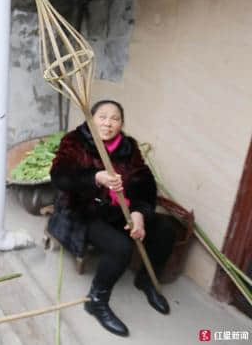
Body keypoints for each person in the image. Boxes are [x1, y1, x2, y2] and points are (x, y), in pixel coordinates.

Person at [49, 100, 176, 337]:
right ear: (92, 119)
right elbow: (59, 177)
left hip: (119, 209)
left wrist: (139, 213)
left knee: (166, 228)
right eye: (102, 117)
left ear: (122, 123)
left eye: (115, 118)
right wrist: (95, 177)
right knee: (121, 247)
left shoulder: (128, 147)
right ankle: (96, 300)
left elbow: (144, 182)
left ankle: (146, 280)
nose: (108, 123)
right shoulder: (75, 142)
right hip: (82, 211)